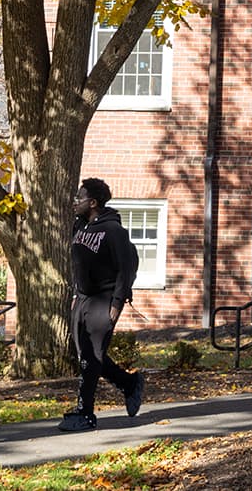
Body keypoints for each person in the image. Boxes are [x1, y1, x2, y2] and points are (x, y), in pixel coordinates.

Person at [59, 178, 147, 432]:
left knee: (91, 356)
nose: (75, 202)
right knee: (85, 356)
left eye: (80, 198)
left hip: (105, 300)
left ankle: (84, 412)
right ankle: (129, 384)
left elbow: (126, 268)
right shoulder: (80, 228)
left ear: (93, 202)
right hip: (83, 299)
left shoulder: (114, 231)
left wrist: (117, 303)